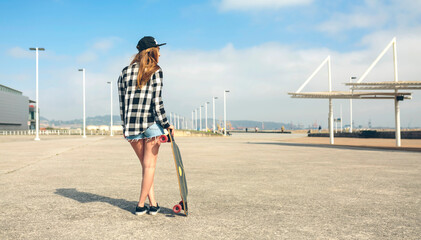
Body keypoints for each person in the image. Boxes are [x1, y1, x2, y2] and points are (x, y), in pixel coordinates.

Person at [117, 36, 174, 216]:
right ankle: (141, 205)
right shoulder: (156, 70)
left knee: (145, 166)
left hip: (132, 126)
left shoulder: (124, 72)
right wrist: (166, 124)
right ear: (152, 51)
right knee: (149, 167)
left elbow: (122, 104)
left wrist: (125, 127)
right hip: (151, 125)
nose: (160, 52)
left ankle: (154, 204)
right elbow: (157, 103)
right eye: (158, 49)